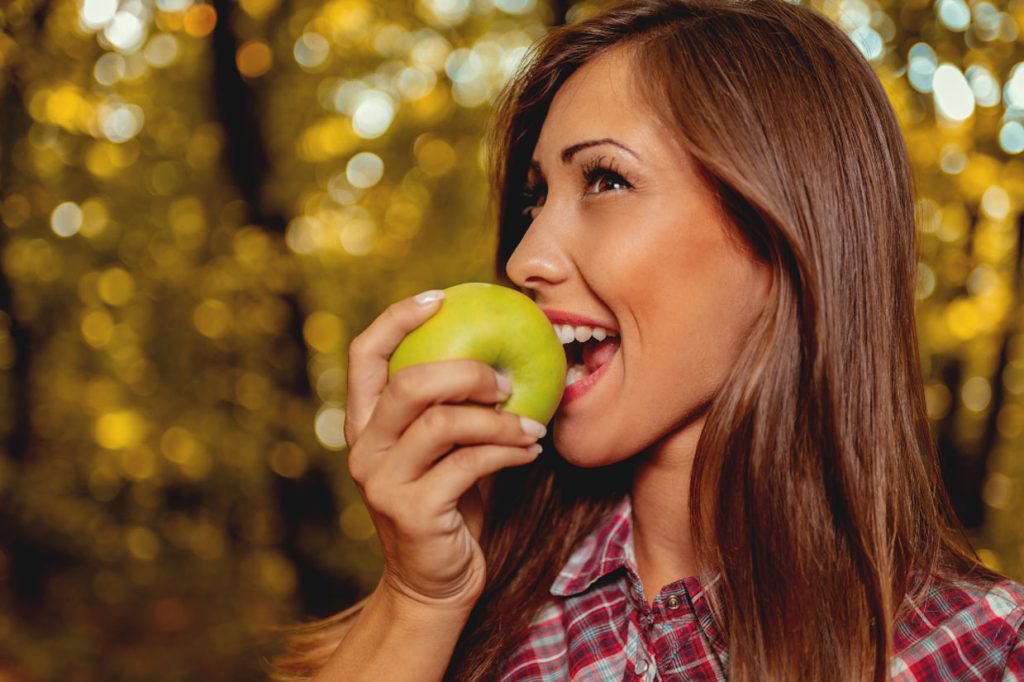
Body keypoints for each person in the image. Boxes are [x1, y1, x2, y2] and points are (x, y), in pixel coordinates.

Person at [272, 0, 1024, 679]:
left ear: (784, 230)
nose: (523, 259)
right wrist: (417, 599)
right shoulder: (457, 628)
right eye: (536, 197)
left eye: (604, 180)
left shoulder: (988, 654)